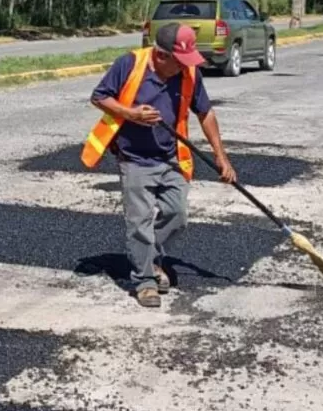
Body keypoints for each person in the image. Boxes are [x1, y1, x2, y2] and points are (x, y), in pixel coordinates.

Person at [84, 22, 236, 308]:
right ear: (160, 54)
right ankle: (144, 281)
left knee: (177, 214)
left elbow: (205, 112)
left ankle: (151, 259)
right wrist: (130, 114)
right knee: (139, 223)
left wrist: (221, 155)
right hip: (135, 159)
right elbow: (99, 96)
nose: (185, 67)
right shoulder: (130, 64)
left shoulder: (189, 72)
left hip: (170, 157)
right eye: (180, 61)